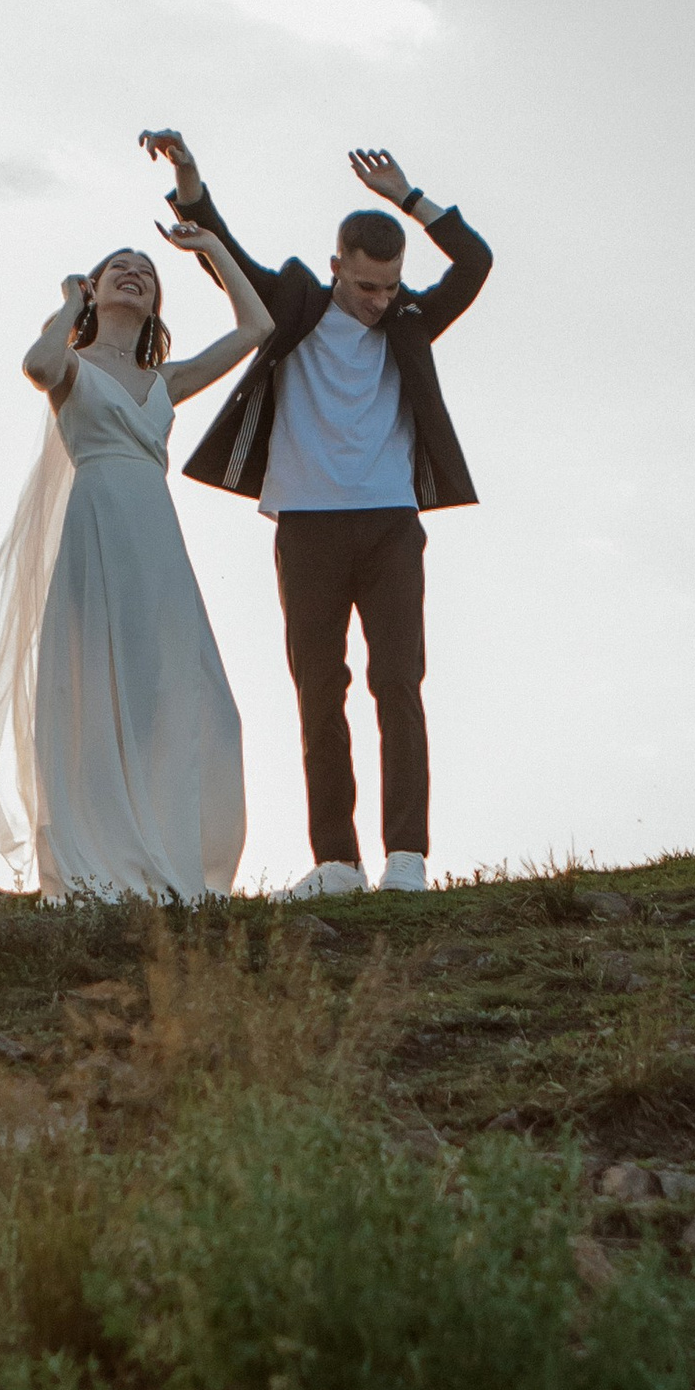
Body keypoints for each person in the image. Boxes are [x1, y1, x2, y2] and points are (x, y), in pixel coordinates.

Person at [143, 131, 493, 898]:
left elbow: (475, 264)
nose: (379, 301)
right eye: (365, 286)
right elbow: (221, 252)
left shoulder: (408, 320)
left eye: (390, 285)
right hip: (307, 526)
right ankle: (336, 862)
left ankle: (407, 860)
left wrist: (409, 199)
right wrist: (192, 183)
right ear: (336, 267)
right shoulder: (294, 306)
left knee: (398, 682)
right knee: (317, 687)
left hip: (392, 523)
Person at [0, 221, 274, 902]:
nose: (134, 271)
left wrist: (213, 252)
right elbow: (39, 365)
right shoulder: (71, 367)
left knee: (195, 702)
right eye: (118, 268)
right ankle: (102, 862)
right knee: (98, 689)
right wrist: (67, 307)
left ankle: (175, 858)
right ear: (96, 290)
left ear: (156, 302)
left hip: (156, 539)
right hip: (97, 529)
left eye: (145, 270)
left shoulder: (165, 379)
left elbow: (256, 328)